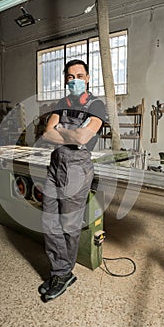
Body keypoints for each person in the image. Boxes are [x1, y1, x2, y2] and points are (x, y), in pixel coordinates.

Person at [39, 59, 106, 302]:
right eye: (70, 76)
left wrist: (65, 133)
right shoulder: (61, 103)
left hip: (77, 169)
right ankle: (60, 270)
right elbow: (47, 134)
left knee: (68, 224)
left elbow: (84, 137)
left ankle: (64, 273)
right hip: (55, 167)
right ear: (65, 80)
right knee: (49, 222)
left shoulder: (97, 105)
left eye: (79, 75)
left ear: (87, 78)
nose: (74, 79)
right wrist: (73, 135)